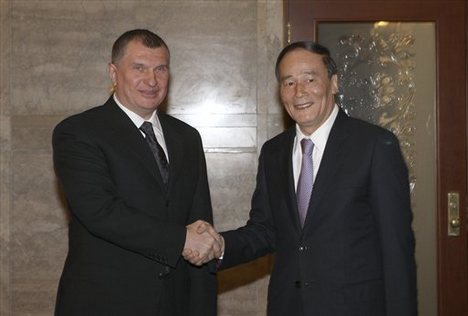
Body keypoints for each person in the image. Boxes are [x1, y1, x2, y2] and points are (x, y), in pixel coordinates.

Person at [186, 41, 417, 315]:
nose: (300, 92)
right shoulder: (274, 152)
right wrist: (220, 246)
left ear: (333, 83)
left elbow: (396, 248)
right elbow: (266, 230)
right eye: (289, 82)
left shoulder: (374, 146)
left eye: (310, 79)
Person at [53, 29, 222, 316]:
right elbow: (100, 212)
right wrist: (181, 239)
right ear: (113, 72)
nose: (152, 81)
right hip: (105, 302)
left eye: (161, 69)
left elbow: (199, 218)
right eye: (139, 68)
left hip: (176, 303)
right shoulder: (78, 132)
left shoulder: (187, 137)